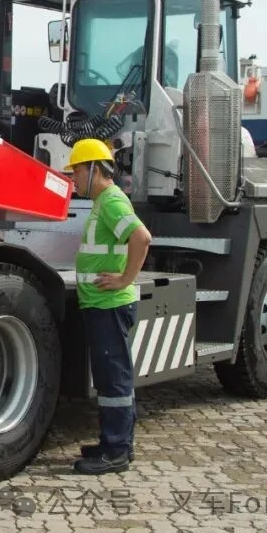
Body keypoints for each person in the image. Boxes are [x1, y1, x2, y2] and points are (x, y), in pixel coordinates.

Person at [64, 138, 152, 475]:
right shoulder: (103, 201)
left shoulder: (112, 201)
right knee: (112, 377)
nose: (73, 178)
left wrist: (125, 278)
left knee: (113, 379)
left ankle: (115, 451)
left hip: (109, 304)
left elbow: (141, 238)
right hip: (102, 304)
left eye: (77, 171)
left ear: (95, 170)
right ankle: (116, 444)